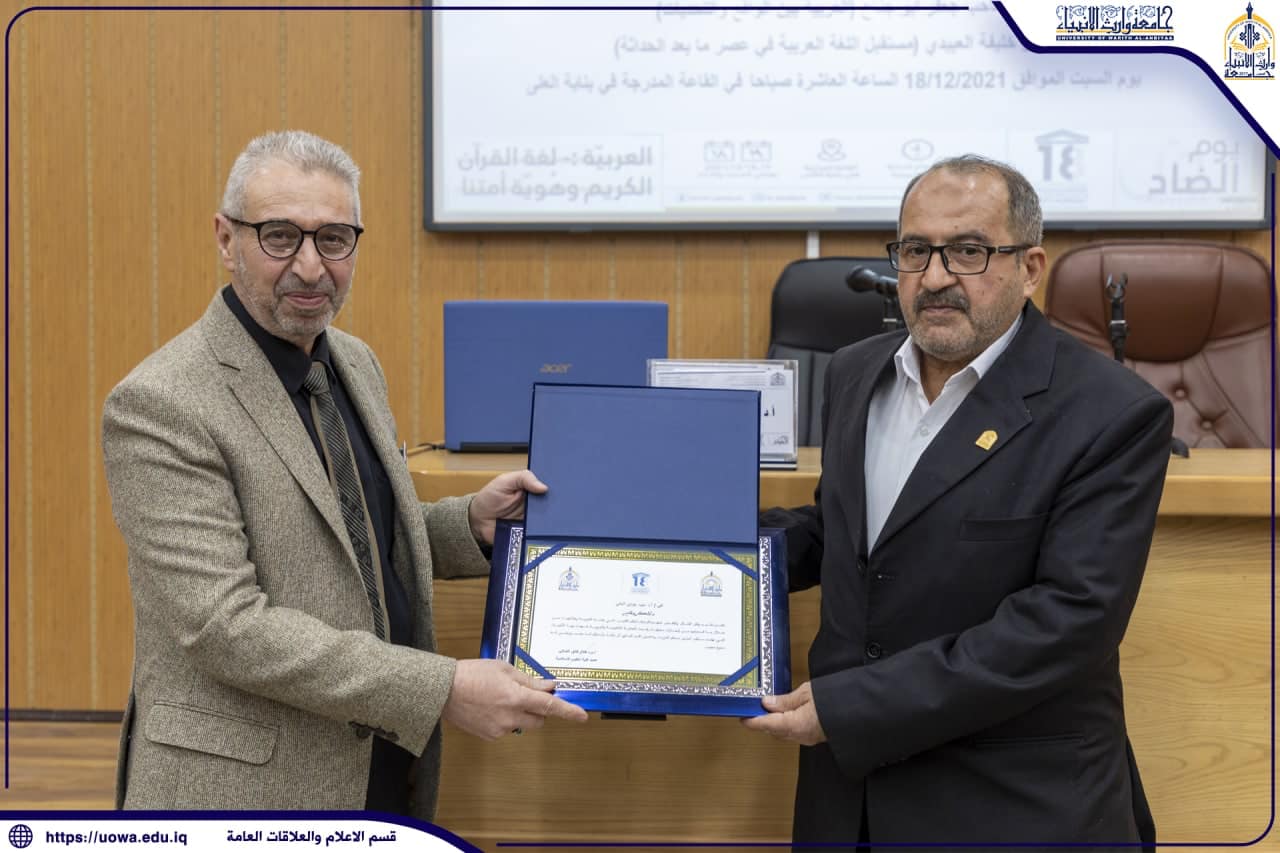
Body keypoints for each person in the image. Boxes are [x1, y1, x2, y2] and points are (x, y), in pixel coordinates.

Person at [101, 130, 587, 815]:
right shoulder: (161, 402)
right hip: (245, 791)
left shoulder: (354, 362)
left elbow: (352, 540)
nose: (310, 267)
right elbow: (224, 626)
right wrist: (442, 688)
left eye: (333, 239)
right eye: (279, 236)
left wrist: (471, 524)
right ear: (226, 239)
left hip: (379, 762)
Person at [747, 154, 1171, 849]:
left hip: (1010, 808)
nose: (936, 276)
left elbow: (1069, 621)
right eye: (916, 250)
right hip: (848, 808)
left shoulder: (1111, 412)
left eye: (969, 251)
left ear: (1030, 268)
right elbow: (849, 533)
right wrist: (706, 550)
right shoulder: (856, 371)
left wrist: (854, 706)